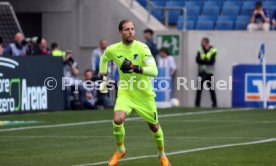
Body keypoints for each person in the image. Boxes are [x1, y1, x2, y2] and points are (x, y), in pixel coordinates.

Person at [99, 20, 170, 166]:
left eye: (132, 29)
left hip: (144, 93)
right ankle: (120, 150)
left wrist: (135, 67)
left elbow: (154, 71)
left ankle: (162, 154)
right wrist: (103, 78)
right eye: (127, 29)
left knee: (154, 127)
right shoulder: (113, 49)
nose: (131, 31)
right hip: (126, 91)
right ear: (120, 32)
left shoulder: (142, 47)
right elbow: (104, 58)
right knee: (117, 120)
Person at [195, 37, 217, 108]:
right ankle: (197, 104)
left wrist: (203, 61)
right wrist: (206, 61)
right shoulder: (200, 50)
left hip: (209, 72)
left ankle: (214, 104)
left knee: (211, 89)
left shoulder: (213, 50)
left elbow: (212, 61)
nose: (201, 43)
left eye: (202, 41)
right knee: (199, 89)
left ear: (206, 42)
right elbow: (197, 60)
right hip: (201, 72)